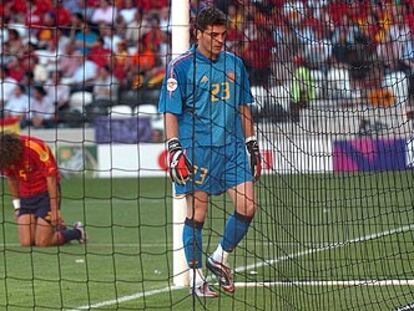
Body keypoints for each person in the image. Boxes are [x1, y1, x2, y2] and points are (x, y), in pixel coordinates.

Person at [158, 6, 261, 297]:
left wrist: (251, 143)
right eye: (213, 35)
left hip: (231, 148)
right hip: (196, 149)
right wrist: (175, 148)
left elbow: (244, 106)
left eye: (223, 34)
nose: (219, 40)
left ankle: (219, 258)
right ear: (198, 33)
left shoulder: (234, 63)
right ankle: (195, 277)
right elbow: (170, 111)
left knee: (247, 206)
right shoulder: (181, 67)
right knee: (197, 213)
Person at [0, 132, 86, 247]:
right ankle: (59, 228)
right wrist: (17, 207)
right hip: (26, 197)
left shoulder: (35, 147)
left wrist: (55, 211)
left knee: (42, 242)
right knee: (26, 243)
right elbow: (11, 179)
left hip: (45, 194)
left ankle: (77, 232)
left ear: (12, 152)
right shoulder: (4, 157)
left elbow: (51, 179)